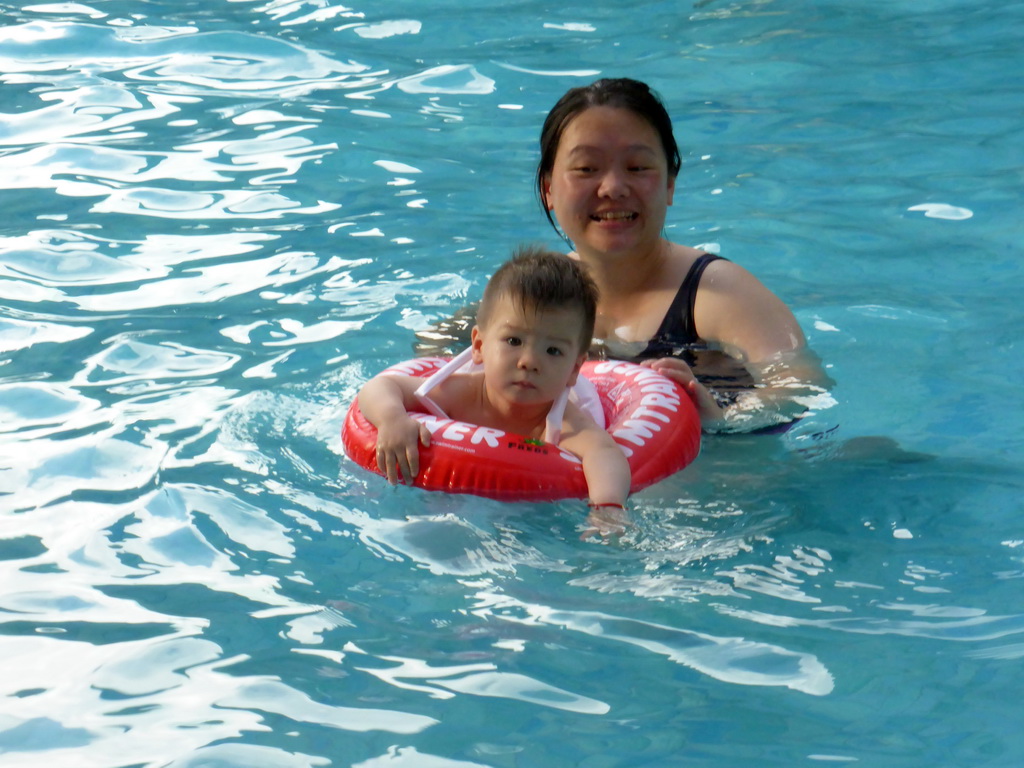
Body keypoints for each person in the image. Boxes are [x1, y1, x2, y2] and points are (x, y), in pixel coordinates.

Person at [536, 77, 832, 433]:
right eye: (586, 168)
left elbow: (804, 387)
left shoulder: (718, 295)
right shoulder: (539, 293)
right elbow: (464, 345)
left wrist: (718, 419)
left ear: (670, 185)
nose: (613, 187)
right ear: (549, 189)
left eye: (637, 167)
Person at [359, 246, 631, 536]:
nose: (529, 362)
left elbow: (604, 454)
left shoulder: (564, 422)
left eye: (553, 350)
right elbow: (382, 386)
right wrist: (392, 419)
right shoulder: (461, 393)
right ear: (478, 346)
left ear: (575, 369)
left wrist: (608, 508)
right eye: (514, 341)